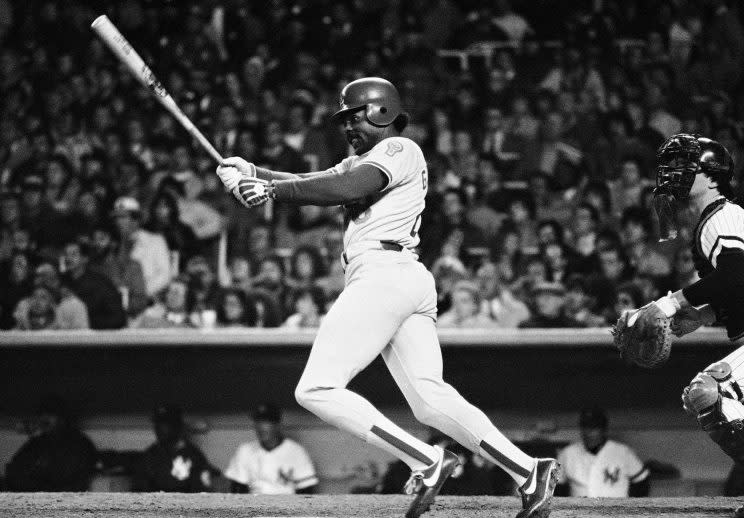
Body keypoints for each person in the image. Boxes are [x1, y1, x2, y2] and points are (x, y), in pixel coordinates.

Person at [216, 77, 558, 518]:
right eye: (344, 118)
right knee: (429, 399)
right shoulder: (358, 161)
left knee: (316, 388)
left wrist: (270, 190)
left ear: (380, 110)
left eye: (354, 115)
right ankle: (529, 471)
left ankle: (427, 459)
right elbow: (311, 181)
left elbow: (346, 189)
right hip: (398, 279)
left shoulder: (399, 149)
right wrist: (252, 172)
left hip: (384, 275)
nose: (347, 126)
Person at [639, 134, 744, 518]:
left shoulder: (724, 216)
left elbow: (736, 277)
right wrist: (704, 316)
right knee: (707, 397)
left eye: (685, 167)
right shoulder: (717, 218)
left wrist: (670, 303)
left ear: (712, 176)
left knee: (708, 391)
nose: (674, 175)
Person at [5, 395, 98, 491]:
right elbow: (14, 472)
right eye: (42, 414)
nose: (45, 418)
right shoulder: (36, 443)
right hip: (33, 499)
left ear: (63, 418)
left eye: (51, 414)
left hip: (66, 499)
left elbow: (75, 481)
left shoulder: (80, 444)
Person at [225, 403, 318, 494]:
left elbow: (306, 491)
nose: (261, 427)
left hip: (286, 506)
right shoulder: (245, 450)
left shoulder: (296, 451)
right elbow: (237, 489)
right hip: (254, 506)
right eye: (258, 421)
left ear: (278, 425)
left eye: (266, 422)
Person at [556, 407, 649, 497]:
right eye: (586, 427)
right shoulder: (567, 453)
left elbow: (642, 479)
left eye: (594, 428)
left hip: (615, 511)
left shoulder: (622, 452)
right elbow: (556, 487)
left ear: (604, 430)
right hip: (579, 511)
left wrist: (631, 508)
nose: (589, 433)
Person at [134, 405, 213, 492]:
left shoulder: (194, 456)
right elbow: (139, 490)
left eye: (165, 424)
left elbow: (202, 492)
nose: (159, 429)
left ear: (177, 426)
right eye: (157, 424)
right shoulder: (150, 455)